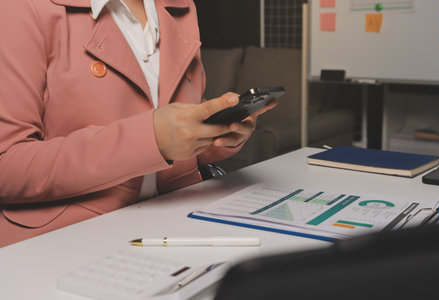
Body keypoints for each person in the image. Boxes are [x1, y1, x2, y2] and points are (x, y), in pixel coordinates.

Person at [0, 0, 276, 247]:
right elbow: (7, 163)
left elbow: (172, 145)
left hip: (174, 227)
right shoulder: (22, 7)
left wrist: (218, 134)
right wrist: (151, 139)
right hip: (64, 242)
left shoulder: (180, 5)